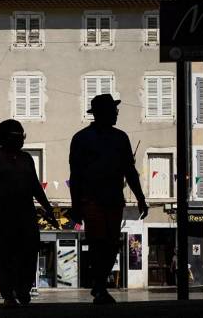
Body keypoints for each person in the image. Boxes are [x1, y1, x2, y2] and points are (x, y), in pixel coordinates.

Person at [69, 94, 148, 304]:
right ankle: (100, 286)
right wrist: (76, 205)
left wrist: (140, 197)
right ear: (102, 113)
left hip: (113, 199)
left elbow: (130, 171)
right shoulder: (82, 138)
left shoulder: (120, 137)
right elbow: (75, 176)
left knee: (111, 244)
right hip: (91, 199)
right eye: (113, 110)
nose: (116, 114)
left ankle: (99, 284)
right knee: (98, 243)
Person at [0, 119, 58, 307]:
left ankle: (23, 289)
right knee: (3, 255)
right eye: (18, 136)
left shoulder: (27, 159)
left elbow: (36, 188)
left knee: (29, 253)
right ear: (6, 138)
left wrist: (49, 210)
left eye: (23, 136)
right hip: (2, 214)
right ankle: (8, 294)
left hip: (26, 213)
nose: (22, 140)